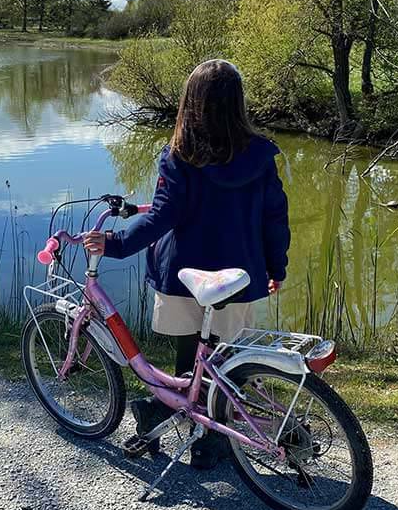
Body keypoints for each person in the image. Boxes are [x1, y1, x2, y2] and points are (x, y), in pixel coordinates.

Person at [83, 59, 290, 468]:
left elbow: (162, 217)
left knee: (190, 357)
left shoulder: (180, 157)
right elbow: (275, 218)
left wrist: (115, 243)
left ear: (190, 103)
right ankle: (203, 441)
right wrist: (275, 267)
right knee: (219, 363)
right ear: (237, 104)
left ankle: (163, 416)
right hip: (238, 277)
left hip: (184, 277)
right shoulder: (260, 157)